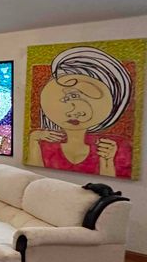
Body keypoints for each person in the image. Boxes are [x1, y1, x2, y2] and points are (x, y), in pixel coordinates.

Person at [26, 46, 132, 178]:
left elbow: (109, 186)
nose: (75, 112)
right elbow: (35, 179)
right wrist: (34, 141)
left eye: (88, 99)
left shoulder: (113, 147)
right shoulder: (43, 141)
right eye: (67, 98)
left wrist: (107, 162)